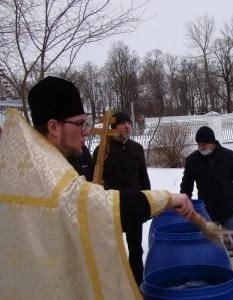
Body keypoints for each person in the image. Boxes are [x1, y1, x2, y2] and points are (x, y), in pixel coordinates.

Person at [0, 76, 194, 299]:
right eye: (80, 123)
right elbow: (95, 205)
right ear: (54, 126)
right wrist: (167, 198)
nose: (86, 130)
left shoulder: (22, 160)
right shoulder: (46, 170)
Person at [93, 112, 150, 287]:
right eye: (122, 123)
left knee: (136, 249)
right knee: (113, 249)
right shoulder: (103, 149)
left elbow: (143, 177)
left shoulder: (136, 148)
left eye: (129, 123)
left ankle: (137, 286)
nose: (127, 126)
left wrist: (146, 200)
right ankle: (115, 287)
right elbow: (95, 178)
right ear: (113, 128)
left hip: (132, 206)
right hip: (112, 207)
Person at [180, 125, 233, 248]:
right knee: (210, 248)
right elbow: (186, 186)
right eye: (198, 144)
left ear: (212, 143)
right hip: (207, 212)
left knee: (230, 247)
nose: (200, 148)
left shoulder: (228, 156)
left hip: (229, 209)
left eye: (203, 145)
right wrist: (183, 205)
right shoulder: (193, 160)